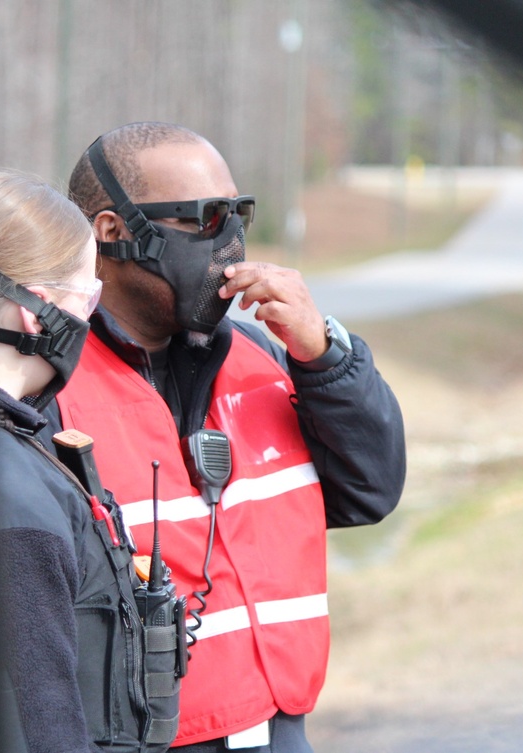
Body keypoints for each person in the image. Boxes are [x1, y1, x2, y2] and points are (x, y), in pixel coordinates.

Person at [39, 123, 407, 753]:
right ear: (112, 231)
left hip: (281, 729)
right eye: (205, 218)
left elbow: (368, 491)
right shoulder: (50, 388)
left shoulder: (271, 355)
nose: (231, 240)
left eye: (239, 212)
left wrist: (325, 357)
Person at [0, 169, 183, 753]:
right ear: (40, 312)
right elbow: (39, 723)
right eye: (90, 297)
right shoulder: (9, 493)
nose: (93, 316)